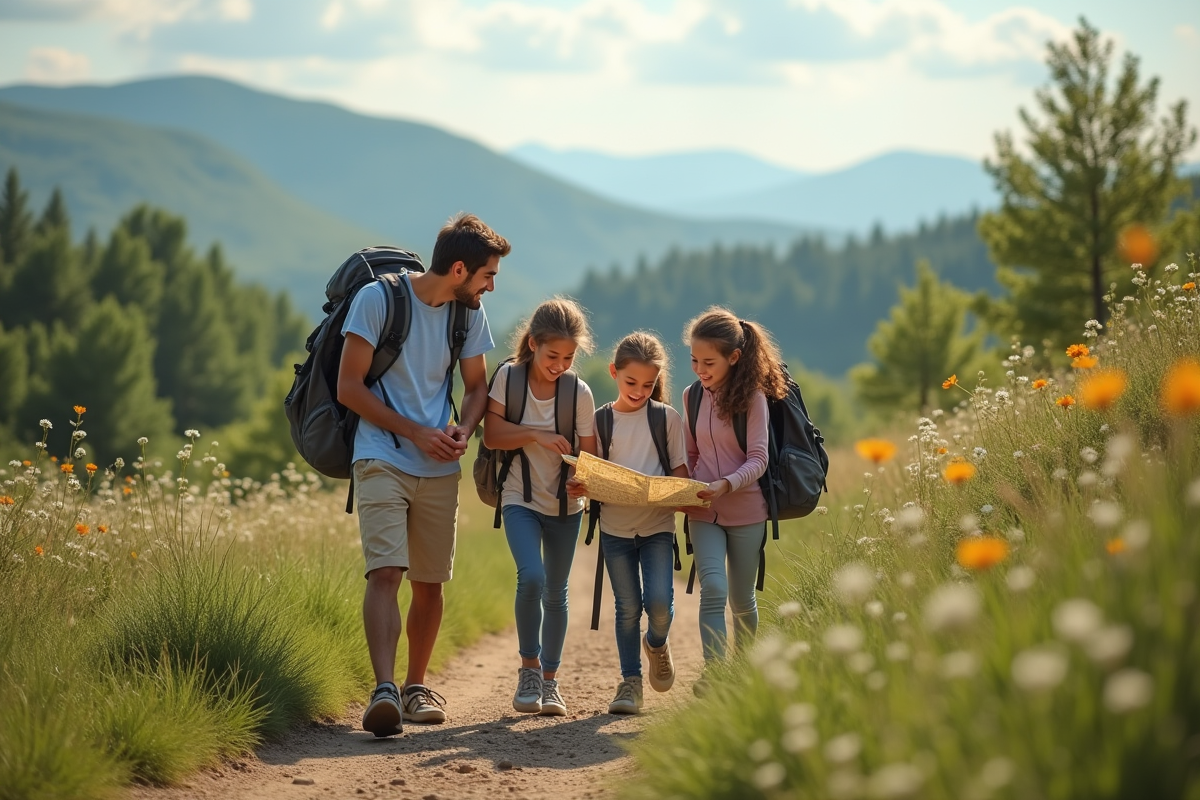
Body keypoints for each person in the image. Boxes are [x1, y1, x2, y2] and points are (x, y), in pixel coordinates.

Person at [337, 213, 509, 737]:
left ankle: (415, 687)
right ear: (459, 269)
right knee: (387, 572)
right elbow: (350, 387)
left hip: (438, 462)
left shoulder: (468, 316)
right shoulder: (378, 300)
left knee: (430, 583)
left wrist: (463, 428)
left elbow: (477, 386)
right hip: (381, 453)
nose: (491, 286)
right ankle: (384, 689)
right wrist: (414, 432)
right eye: (487, 275)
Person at [482, 298, 597, 717]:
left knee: (556, 592)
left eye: (568, 357)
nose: (560, 365)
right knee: (531, 576)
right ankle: (529, 669)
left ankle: (551, 682)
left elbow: (591, 455)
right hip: (519, 497)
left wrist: (580, 479)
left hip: (567, 506)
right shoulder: (508, 380)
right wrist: (537, 434)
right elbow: (492, 435)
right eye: (553, 355)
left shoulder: (578, 393)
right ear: (532, 344)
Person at [570, 332, 689, 715]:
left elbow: (680, 474)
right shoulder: (601, 421)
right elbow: (590, 475)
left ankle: (656, 643)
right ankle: (630, 683)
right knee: (626, 608)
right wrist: (580, 486)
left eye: (648, 384)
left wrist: (687, 494)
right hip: (616, 530)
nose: (639, 391)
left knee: (659, 605)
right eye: (631, 382)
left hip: (657, 527)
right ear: (614, 373)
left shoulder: (666, 419)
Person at [681, 306, 788, 693]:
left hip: (746, 512)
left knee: (742, 600)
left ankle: (743, 677)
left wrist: (726, 484)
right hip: (704, 511)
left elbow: (758, 459)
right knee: (714, 588)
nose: (699, 369)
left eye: (708, 362)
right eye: (694, 360)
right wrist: (689, 487)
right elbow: (692, 455)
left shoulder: (753, 400)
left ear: (734, 357)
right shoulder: (691, 397)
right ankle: (716, 676)